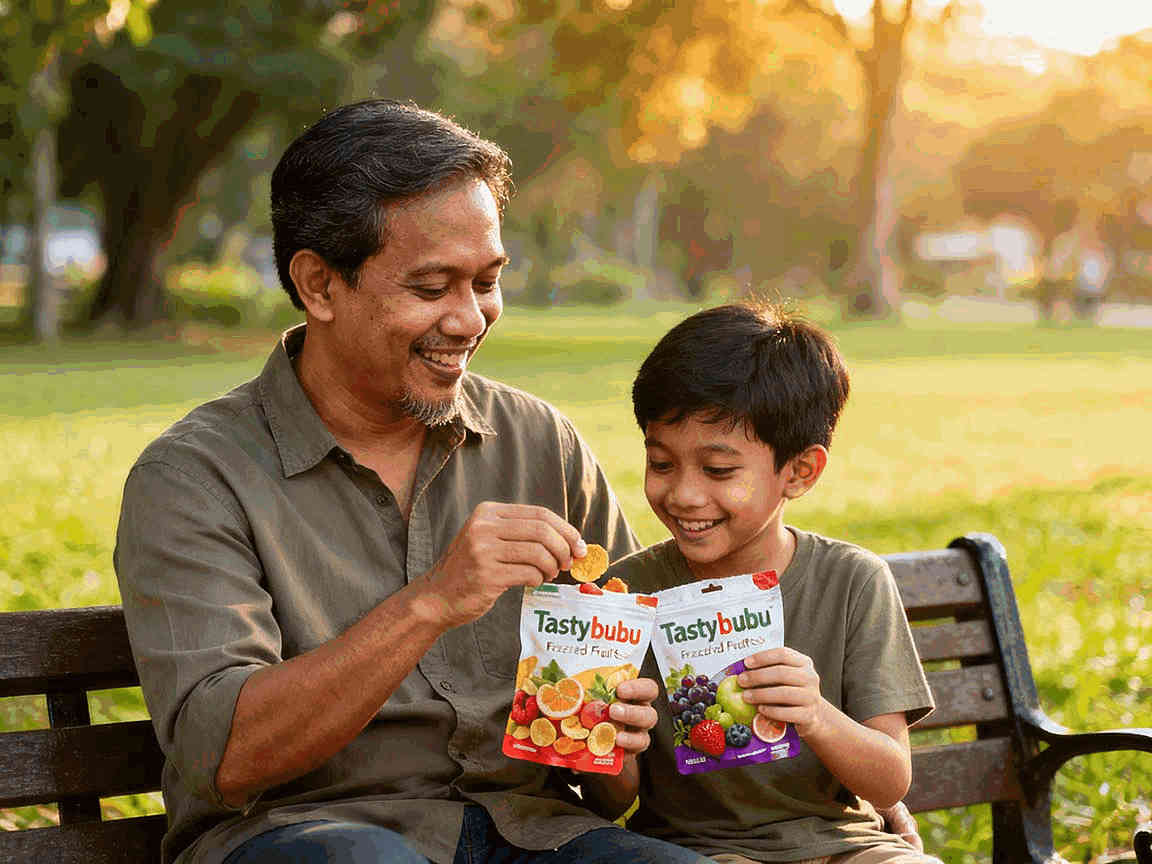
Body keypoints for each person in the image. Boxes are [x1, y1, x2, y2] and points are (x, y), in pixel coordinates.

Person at [114, 100, 706, 864]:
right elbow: (225, 756)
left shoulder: (541, 444)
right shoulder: (195, 477)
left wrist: (626, 734)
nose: (470, 320)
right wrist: (431, 602)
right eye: (431, 288)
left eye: (487, 281)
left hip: (535, 834)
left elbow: (630, 759)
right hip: (306, 839)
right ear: (319, 286)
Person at [590, 303, 940, 863]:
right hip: (701, 852)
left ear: (800, 472)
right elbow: (610, 805)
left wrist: (816, 714)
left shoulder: (852, 582)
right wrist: (615, 747)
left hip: (849, 846)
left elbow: (890, 782)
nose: (682, 494)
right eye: (661, 463)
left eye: (719, 470)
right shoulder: (622, 594)